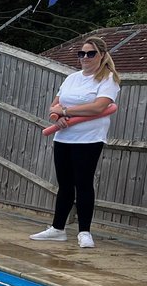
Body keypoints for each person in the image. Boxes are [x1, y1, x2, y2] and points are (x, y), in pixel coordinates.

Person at [31, 37, 121, 249]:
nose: (85, 58)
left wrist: (65, 111)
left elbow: (99, 107)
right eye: (82, 54)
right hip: (63, 137)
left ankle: (84, 231)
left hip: (89, 139)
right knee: (64, 185)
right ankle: (57, 229)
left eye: (91, 54)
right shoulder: (72, 78)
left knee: (83, 184)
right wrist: (57, 117)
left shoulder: (108, 79)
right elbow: (54, 106)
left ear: (101, 55)